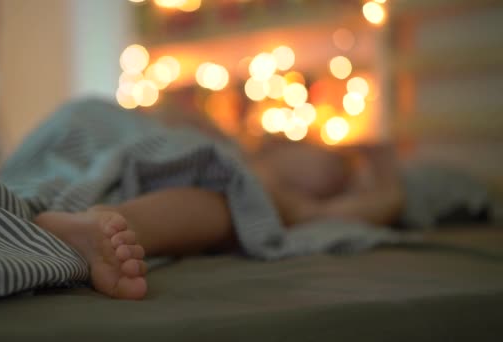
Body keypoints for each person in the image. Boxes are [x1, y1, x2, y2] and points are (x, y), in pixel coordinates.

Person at [31, 106, 404, 301]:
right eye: (333, 161)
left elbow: (383, 205)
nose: (335, 175)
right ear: (282, 144)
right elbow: (164, 120)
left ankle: (109, 227)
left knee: (229, 209)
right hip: (114, 134)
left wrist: (385, 167)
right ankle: (97, 222)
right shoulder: (234, 147)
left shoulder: (284, 200)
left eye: (340, 178)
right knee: (224, 198)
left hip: (179, 172)